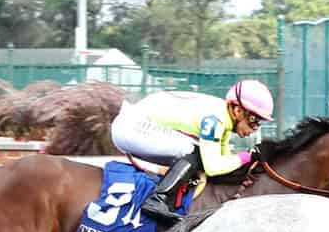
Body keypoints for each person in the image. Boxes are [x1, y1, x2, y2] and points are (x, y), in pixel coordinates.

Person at [110, 81, 274, 223]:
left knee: (198, 152)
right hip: (131, 127)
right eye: (254, 120)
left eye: (260, 123)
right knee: (193, 150)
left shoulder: (224, 119)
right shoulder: (215, 120)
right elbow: (214, 167)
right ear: (238, 111)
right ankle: (158, 199)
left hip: (136, 124)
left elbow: (223, 161)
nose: (255, 128)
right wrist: (248, 155)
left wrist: (247, 162)